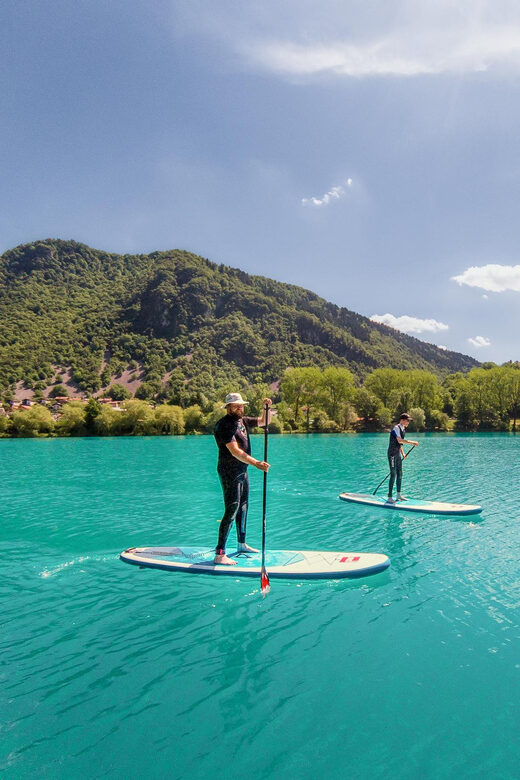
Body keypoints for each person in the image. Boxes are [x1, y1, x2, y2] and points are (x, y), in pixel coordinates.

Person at [213, 393, 272, 565]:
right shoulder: (223, 425)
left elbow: (264, 421)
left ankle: (241, 544)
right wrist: (256, 463)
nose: (240, 408)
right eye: (236, 405)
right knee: (232, 508)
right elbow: (235, 451)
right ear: (228, 407)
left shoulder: (242, 421)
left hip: (242, 470)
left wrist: (267, 408)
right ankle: (220, 554)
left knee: (244, 507)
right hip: (229, 472)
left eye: (241, 405)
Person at [387, 412, 419, 503]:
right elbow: (399, 440)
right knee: (393, 474)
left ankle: (398, 495)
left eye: (409, 421)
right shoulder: (396, 428)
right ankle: (389, 497)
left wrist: (403, 453)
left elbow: (399, 444)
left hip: (397, 454)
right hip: (392, 454)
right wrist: (412, 442)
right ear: (402, 420)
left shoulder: (403, 429)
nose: (408, 422)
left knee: (400, 474)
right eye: (407, 421)